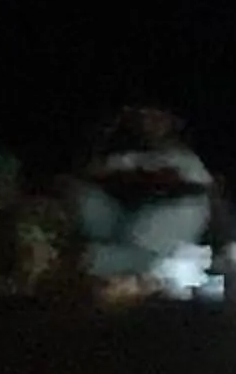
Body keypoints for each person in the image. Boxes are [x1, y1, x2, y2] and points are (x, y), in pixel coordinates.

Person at [67, 103, 214, 295]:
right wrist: (107, 131)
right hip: (125, 234)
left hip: (158, 254)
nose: (149, 124)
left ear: (172, 123)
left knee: (90, 258)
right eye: (143, 117)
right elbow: (90, 171)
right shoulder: (133, 158)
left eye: (157, 118)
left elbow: (195, 190)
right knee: (81, 194)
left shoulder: (189, 163)